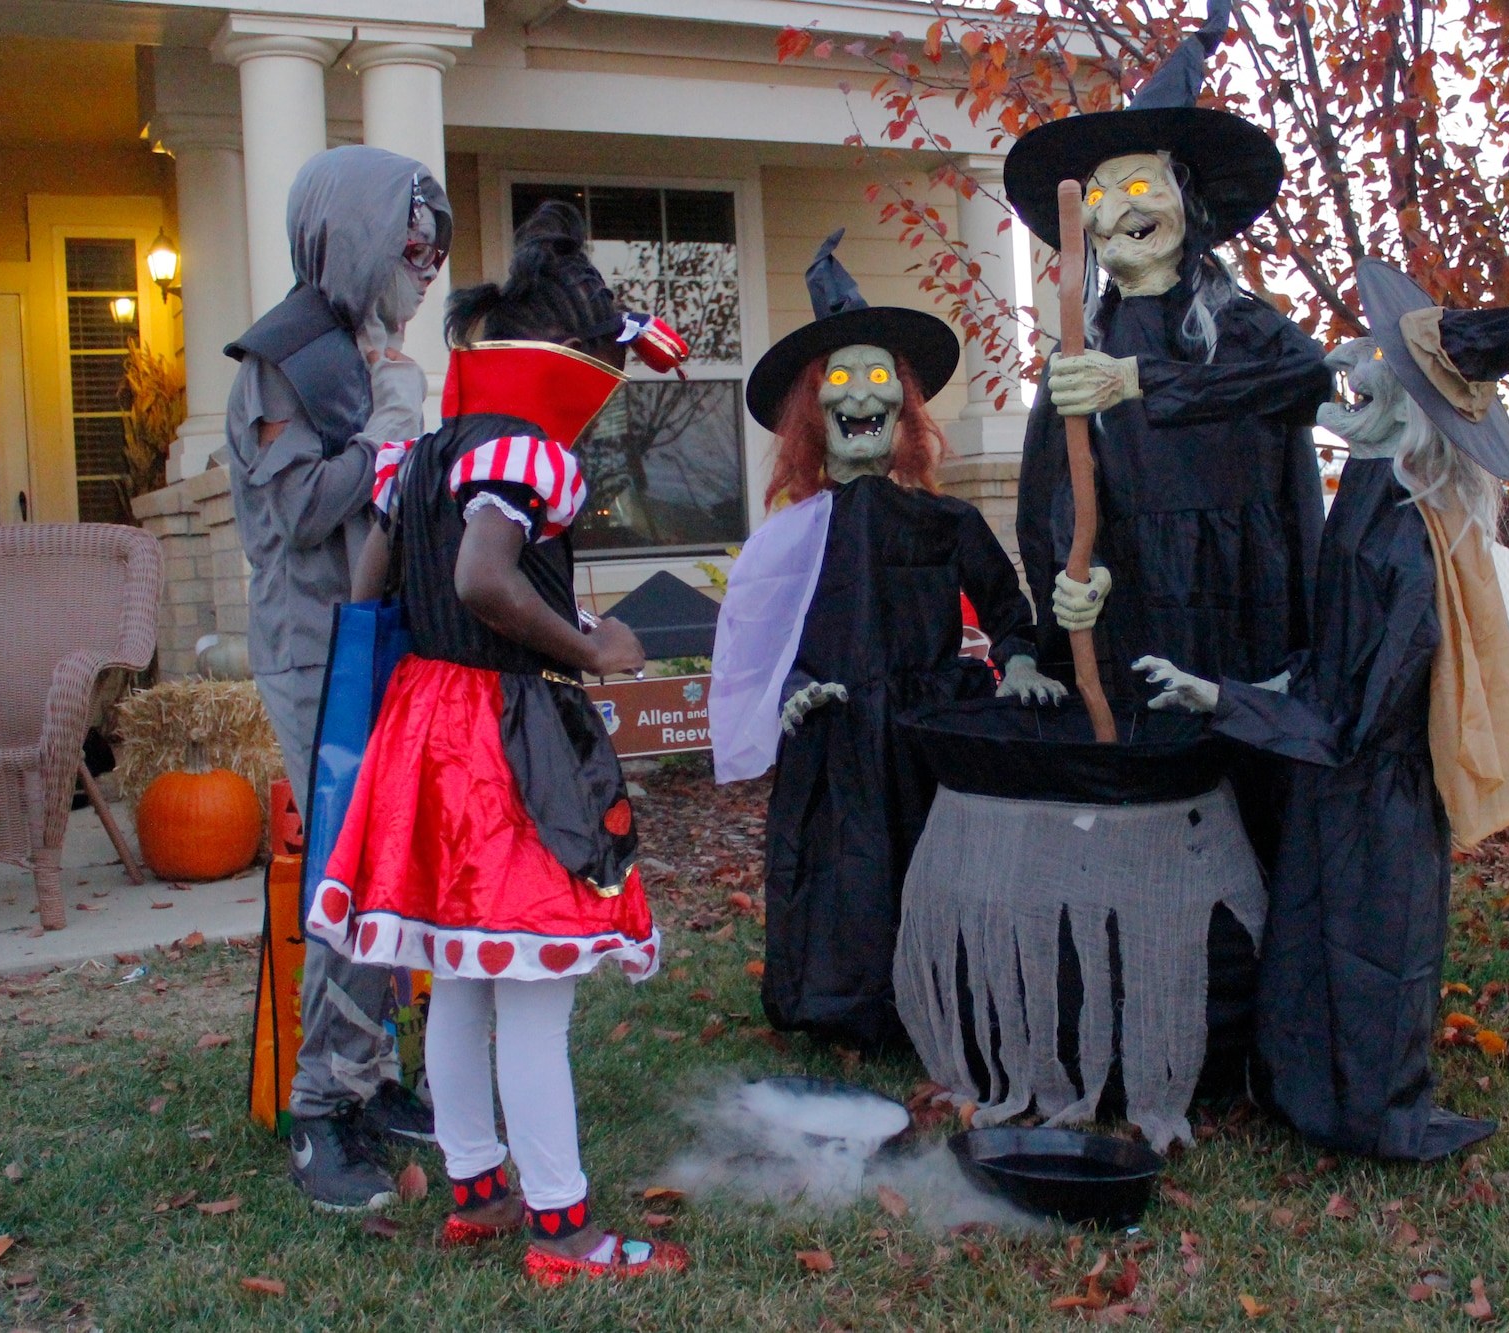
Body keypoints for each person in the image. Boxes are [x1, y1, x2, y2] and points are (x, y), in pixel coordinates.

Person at [1136, 259, 1509, 1158]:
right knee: (1310, 935)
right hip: (1336, 784)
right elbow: (1329, 665)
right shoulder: (1370, 506)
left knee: (1375, 952)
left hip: (1376, 794)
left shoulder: (1405, 549)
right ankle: (1308, 1096)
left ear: (1411, 410)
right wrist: (1256, 690)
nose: (1354, 367)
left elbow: (1353, 715)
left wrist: (1227, 700)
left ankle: (1375, 1111)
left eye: (1379, 364)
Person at [304, 202, 685, 1282]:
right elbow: (482, 573)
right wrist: (590, 646)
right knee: (528, 985)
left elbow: (372, 585)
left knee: (457, 971)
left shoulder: (419, 456)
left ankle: (475, 1186)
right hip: (500, 734)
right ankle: (561, 1227)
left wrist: (421, 657)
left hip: (423, 717)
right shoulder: (526, 456)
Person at [710, 230, 1059, 1051]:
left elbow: (1009, 607)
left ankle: (940, 1003)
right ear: (813, 413)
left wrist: (1016, 659)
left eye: (880, 377)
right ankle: (844, 1007)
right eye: (842, 378)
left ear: (903, 406)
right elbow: (759, 642)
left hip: (924, 730)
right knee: (846, 873)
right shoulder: (789, 537)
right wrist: (793, 685)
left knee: (929, 867)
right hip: (835, 737)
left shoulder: (948, 522)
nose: (862, 393)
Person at [224, 144, 446, 1210]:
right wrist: (396, 429)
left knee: (391, 854)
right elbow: (299, 511)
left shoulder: (371, 350)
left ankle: (378, 1078)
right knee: (348, 864)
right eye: (412, 241)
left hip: (383, 629)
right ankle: (322, 1110)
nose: (428, 264)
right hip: (317, 642)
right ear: (358, 234)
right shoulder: (284, 359)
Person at [1004, 0, 1331, 703]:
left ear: (1188, 204)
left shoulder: (1246, 329)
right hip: (1133, 610)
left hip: (1247, 606)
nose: (1112, 208)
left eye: (1141, 185)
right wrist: (1070, 578)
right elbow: (1049, 496)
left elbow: (1311, 381)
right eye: (1095, 195)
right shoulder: (1078, 349)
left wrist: (1145, 382)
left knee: (1243, 775)